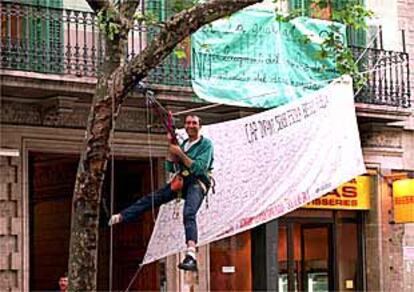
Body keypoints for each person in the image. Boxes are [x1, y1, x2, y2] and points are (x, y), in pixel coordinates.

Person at [108, 114, 214, 272]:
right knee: (153, 198)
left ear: (200, 126)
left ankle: (191, 254)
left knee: (189, 213)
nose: (191, 125)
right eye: (188, 123)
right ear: (185, 126)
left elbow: (199, 168)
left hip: (197, 183)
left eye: (194, 123)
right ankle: (122, 216)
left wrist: (179, 153)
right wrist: (171, 151)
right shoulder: (184, 144)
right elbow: (170, 167)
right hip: (181, 181)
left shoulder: (205, 144)